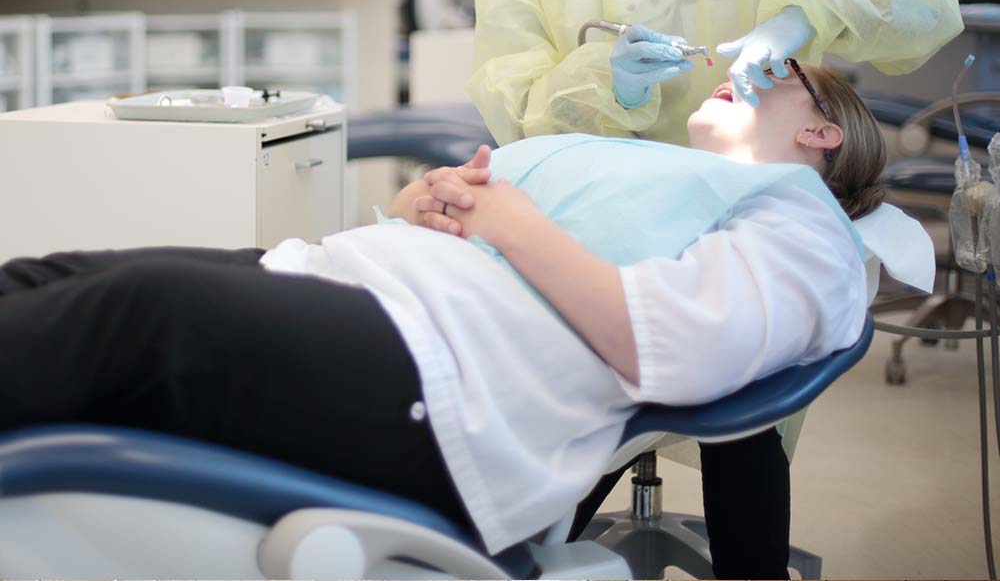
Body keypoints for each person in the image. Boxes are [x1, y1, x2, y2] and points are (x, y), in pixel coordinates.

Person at [0, 64, 885, 563]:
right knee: (51, 276)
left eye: (781, 74)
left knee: (142, 319)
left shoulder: (803, 229)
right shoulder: (666, 178)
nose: (741, 71)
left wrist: (510, 221)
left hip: (440, 374)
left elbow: (678, 347)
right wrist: (434, 200)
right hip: (350, 284)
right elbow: (498, 224)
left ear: (824, 131)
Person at [465, 0, 963, 577]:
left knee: (740, 418)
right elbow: (513, 103)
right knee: (584, 413)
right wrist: (601, 84)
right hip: (608, 220)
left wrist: (815, 9)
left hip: (738, 213)